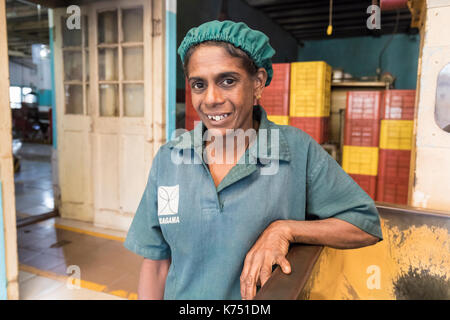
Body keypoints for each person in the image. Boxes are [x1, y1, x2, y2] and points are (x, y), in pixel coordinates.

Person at [124, 20, 383, 300]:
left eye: (227, 81)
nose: (211, 98)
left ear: (258, 83)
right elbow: (157, 265)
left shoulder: (295, 150)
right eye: (199, 84)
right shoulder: (170, 159)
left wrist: (286, 229)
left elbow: (364, 224)